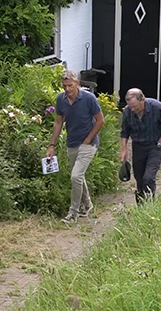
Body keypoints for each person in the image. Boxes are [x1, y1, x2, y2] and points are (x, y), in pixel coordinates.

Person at [47, 69, 105, 224]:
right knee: (77, 175)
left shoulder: (88, 98)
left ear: (77, 83)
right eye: (64, 86)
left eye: (70, 85)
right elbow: (58, 122)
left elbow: (100, 120)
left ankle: (73, 213)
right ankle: (88, 205)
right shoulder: (61, 99)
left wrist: (88, 139)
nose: (67, 89)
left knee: (76, 175)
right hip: (72, 142)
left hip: (89, 142)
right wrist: (52, 145)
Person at [120, 88, 161, 203]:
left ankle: (150, 204)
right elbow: (124, 132)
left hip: (154, 146)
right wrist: (124, 150)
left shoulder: (158, 107)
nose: (133, 109)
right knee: (139, 179)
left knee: (148, 177)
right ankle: (141, 206)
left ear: (142, 100)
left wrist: (160, 143)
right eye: (130, 106)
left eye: (135, 106)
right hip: (138, 146)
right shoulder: (128, 111)